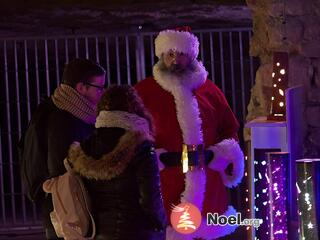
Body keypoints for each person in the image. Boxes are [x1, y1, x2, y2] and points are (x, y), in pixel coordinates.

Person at [134, 27, 244, 239]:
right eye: (170, 54)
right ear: (161, 55)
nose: (175, 60)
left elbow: (230, 129)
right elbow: (132, 135)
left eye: (181, 54)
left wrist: (218, 154)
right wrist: (153, 158)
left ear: (192, 55)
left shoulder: (210, 91)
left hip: (208, 185)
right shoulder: (143, 92)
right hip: (163, 183)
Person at [66, 85, 167, 240]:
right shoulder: (140, 146)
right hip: (137, 232)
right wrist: (161, 223)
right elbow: (151, 198)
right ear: (135, 109)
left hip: (99, 232)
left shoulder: (87, 146)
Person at [20, 58, 106, 239]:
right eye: (99, 87)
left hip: (62, 204)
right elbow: (61, 167)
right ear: (81, 87)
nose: (102, 92)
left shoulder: (67, 109)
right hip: (63, 207)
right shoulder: (63, 118)